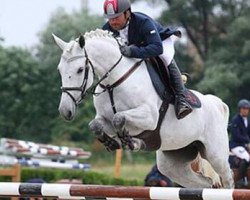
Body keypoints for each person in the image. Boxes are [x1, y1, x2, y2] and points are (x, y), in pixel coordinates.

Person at [102, 0, 192, 119]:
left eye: (116, 17)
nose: (113, 21)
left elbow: (157, 48)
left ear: (127, 13)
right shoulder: (107, 29)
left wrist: (133, 51)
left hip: (158, 42)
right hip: (135, 46)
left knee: (166, 57)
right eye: (110, 18)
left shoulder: (143, 22)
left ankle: (181, 99)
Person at [229, 99, 250, 186]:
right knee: (246, 157)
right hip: (236, 145)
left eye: (247, 108)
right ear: (240, 109)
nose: (245, 110)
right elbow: (236, 135)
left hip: (244, 145)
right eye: (244, 108)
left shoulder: (248, 120)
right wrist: (248, 141)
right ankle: (240, 180)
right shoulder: (235, 120)